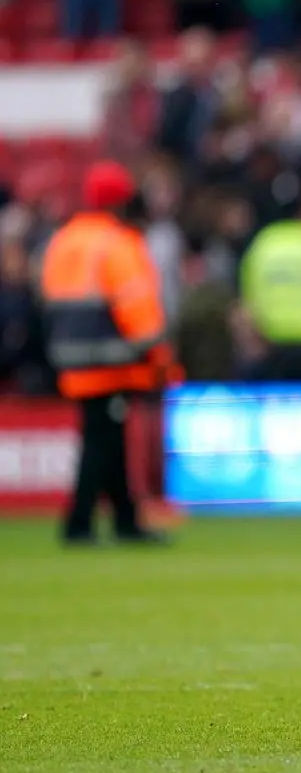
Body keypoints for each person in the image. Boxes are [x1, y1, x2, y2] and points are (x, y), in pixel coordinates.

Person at [40, 161, 178, 545]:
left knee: (107, 440)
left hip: (71, 359)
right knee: (100, 444)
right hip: (113, 360)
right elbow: (138, 311)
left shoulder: (63, 239)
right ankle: (78, 524)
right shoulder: (118, 243)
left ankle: (125, 521)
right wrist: (159, 355)